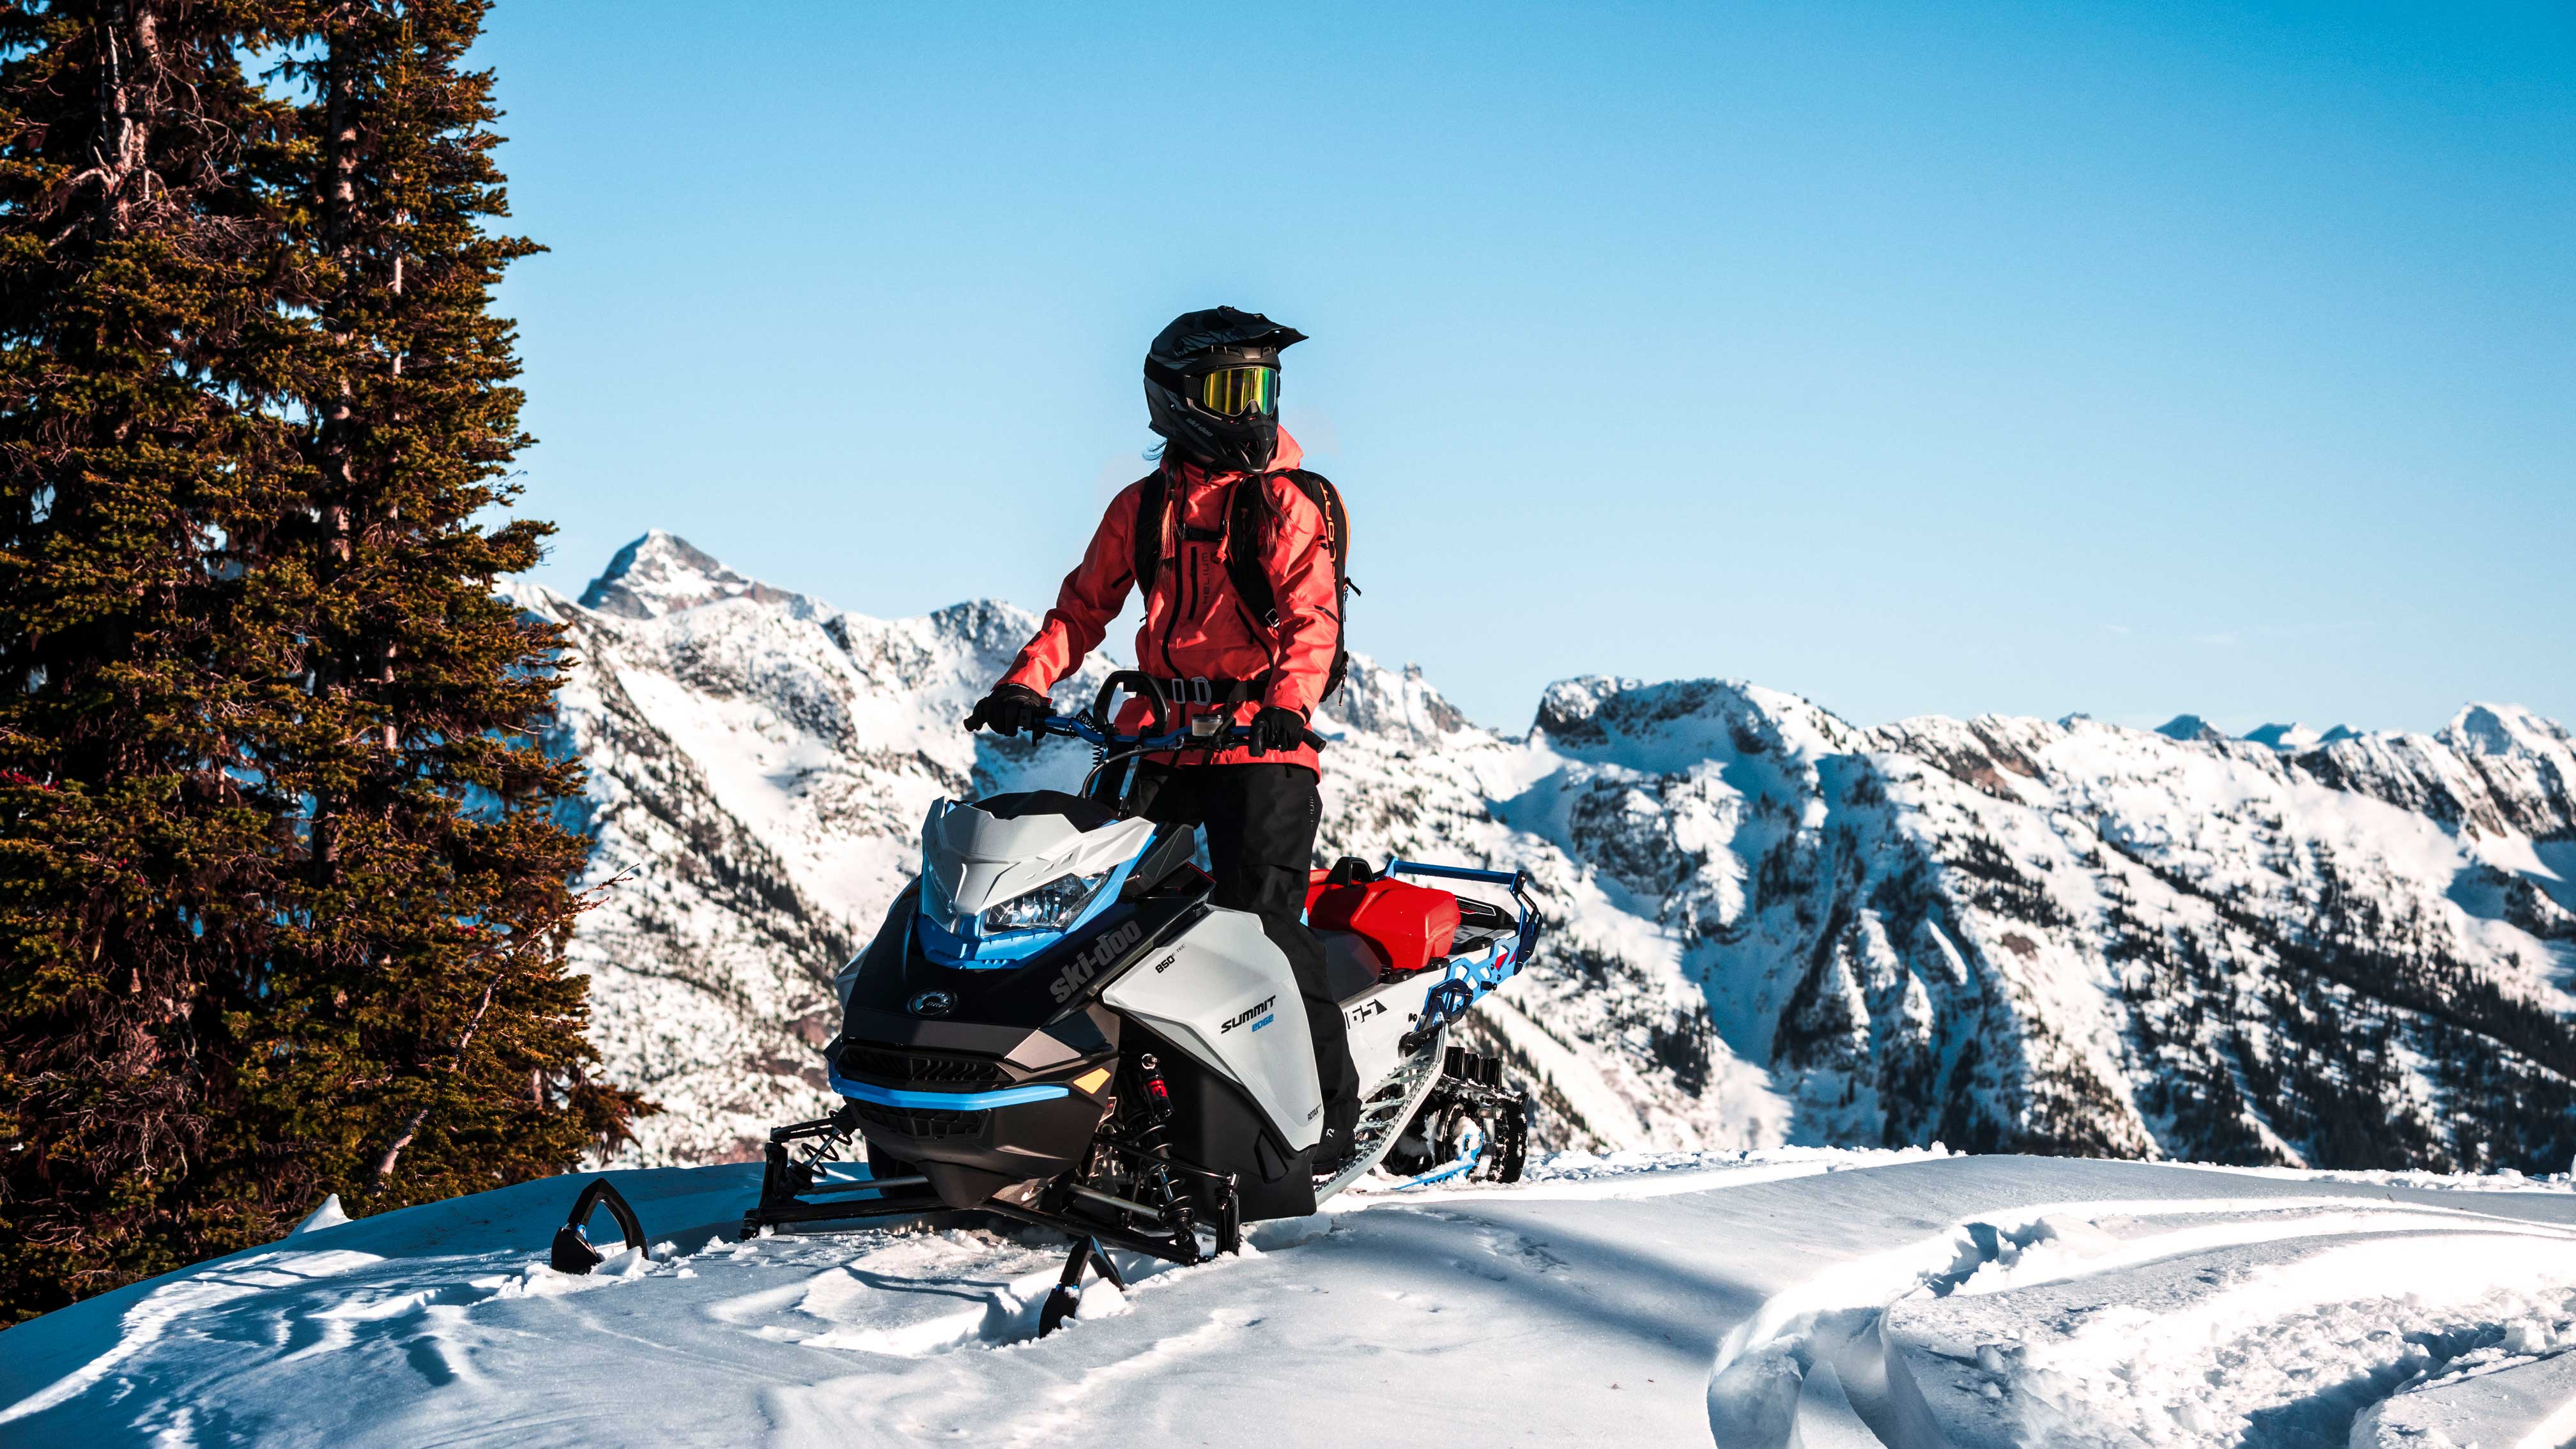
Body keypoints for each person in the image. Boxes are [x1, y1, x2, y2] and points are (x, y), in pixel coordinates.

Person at [963, 306, 1361, 1169]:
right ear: (1176, 399)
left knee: (1263, 927)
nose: (1252, 406)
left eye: (1262, 386)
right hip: (1159, 741)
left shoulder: (1285, 505)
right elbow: (1082, 610)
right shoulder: (1142, 509)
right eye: (1232, 388)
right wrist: (1025, 683)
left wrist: (1286, 702)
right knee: (1099, 925)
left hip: (1262, 749)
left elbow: (1311, 620)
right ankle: (1120, 1110)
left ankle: (1328, 1118)